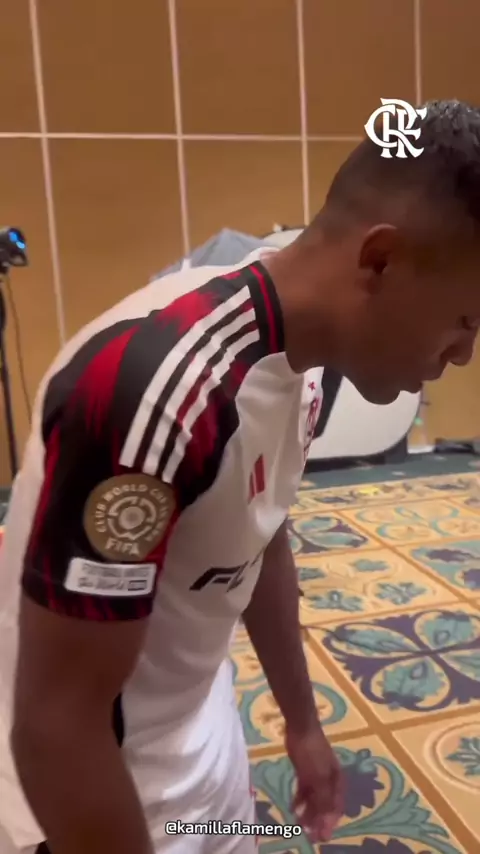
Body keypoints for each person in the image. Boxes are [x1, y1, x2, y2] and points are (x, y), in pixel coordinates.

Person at [0, 97, 479, 854]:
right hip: (102, 793)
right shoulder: (151, 393)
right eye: (465, 320)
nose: (464, 354)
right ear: (381, 260)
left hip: (203, 743)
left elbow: (259, 532)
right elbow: (57, 729)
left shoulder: (304, 358)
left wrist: (302, 721)